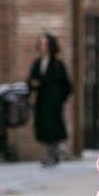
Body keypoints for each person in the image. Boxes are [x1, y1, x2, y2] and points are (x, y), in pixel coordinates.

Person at [28, 33, 72, 166]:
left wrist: (59, 99)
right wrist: (33, 84)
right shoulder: (37, 63)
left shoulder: (57, 64)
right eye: (41, 43)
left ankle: (52, 156)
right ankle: (54, 153)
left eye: (45, 43)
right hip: (42, 102)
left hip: (53, 103)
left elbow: (67, 85)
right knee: (44, 129)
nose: (42, 46)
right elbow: (31, 80)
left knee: (53, 128)